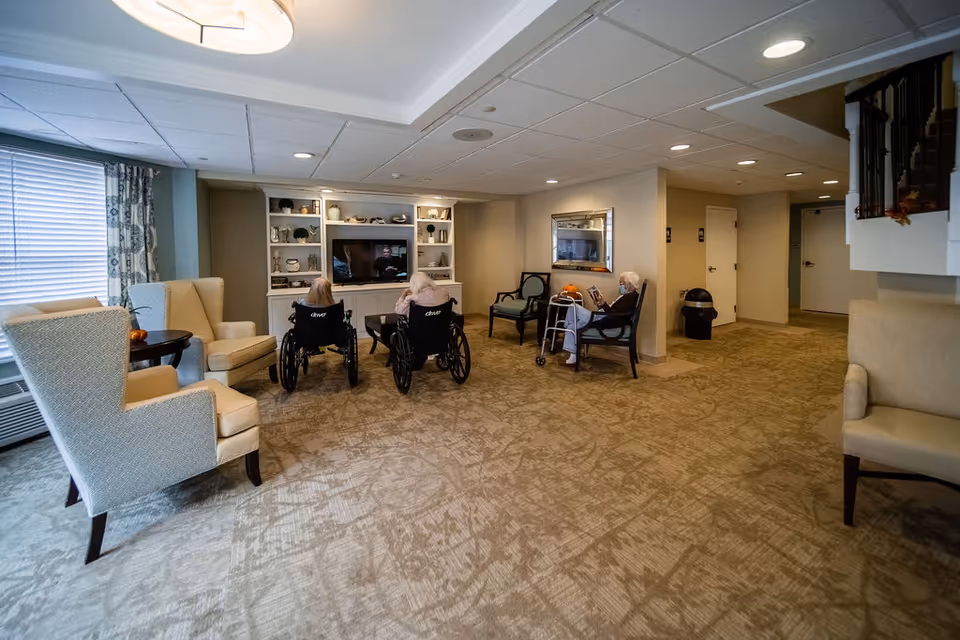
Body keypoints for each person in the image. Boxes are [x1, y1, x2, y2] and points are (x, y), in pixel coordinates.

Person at [561, 271, 641, 365]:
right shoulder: (629, 296)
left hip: (604, 320)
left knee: (572, 307)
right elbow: (615, 311)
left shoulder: (629, 298)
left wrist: (604, 305)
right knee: (573, 325)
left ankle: (566, 330)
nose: (620, 285)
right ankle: (573, 350)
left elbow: (615, 315)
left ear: (629, 284)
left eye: (621, 283)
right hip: (603, 316)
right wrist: (602, 305)